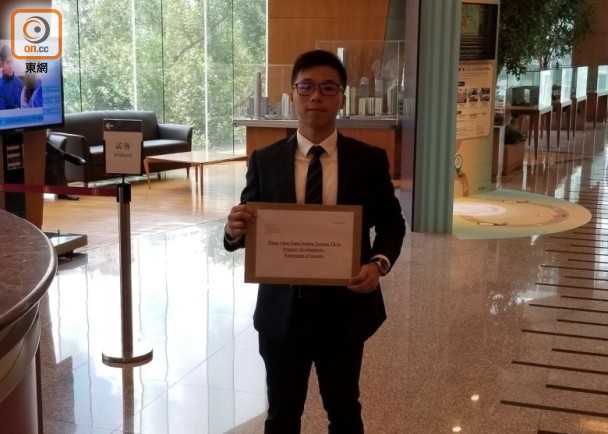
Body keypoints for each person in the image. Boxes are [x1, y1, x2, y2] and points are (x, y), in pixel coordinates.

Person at [224, 50, 406, 434]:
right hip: (281, 312)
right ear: (293, 95)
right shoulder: (265, 160)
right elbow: (247, 223)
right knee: (281, 415)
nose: (316, 97)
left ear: (342, 98)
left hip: (344, 310)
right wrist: (234, 230)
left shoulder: (369, 160)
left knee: (344, 411)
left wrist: (378, 264)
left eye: (328, 88)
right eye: (306, 87)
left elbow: (392, 224)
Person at [0, 45, 23, 110]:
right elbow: (2, 113)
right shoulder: (0, 87)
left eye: (11, 61)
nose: (10, 66)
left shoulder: (19, 82)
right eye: (7, 62)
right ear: (2, 64)